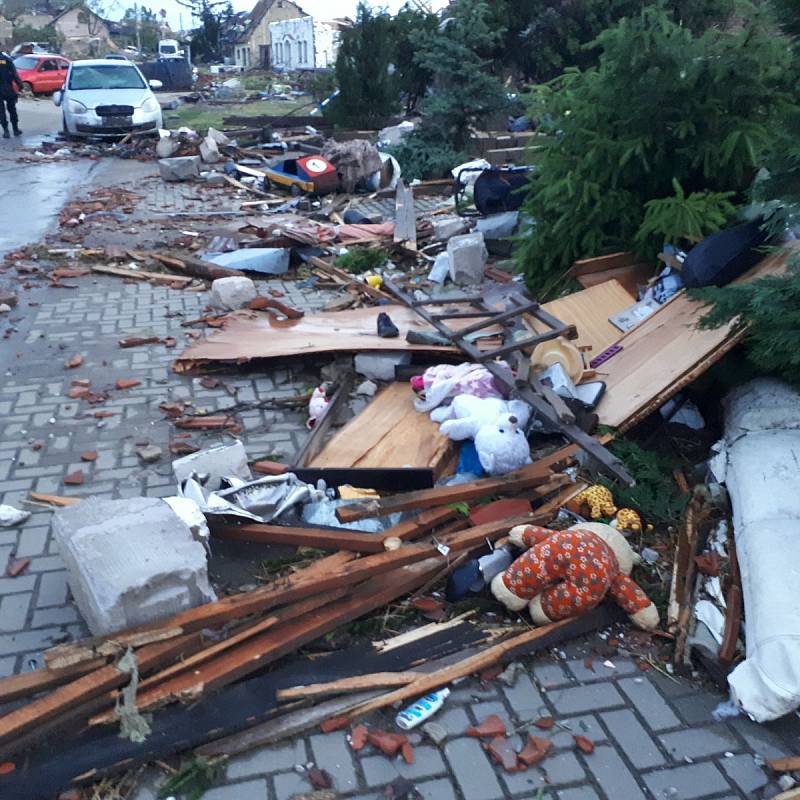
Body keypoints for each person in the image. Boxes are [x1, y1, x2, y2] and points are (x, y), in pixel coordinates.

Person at [0, 51, 23, 139]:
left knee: (1, 111)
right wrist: (20, 86)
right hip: (8, 88)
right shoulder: (6, 59)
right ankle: (15, 129)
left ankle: (6, 131)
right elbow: (14, 74)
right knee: (12, 109)